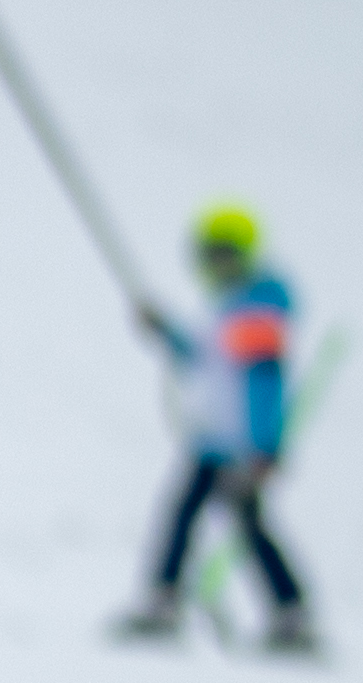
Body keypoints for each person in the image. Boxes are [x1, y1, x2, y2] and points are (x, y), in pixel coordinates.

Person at [113, 204, 318, 655]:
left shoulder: (257, 311)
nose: (217, 264)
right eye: (211, 255)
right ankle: (281, 611)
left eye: (225, 254)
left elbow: (264, 383)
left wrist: (264, 449)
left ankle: (289, 613)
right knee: (197, 518)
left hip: (238, 445)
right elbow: (203, 359)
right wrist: (165, 331)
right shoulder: (229, 308)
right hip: (212, 440)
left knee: (239, 524)